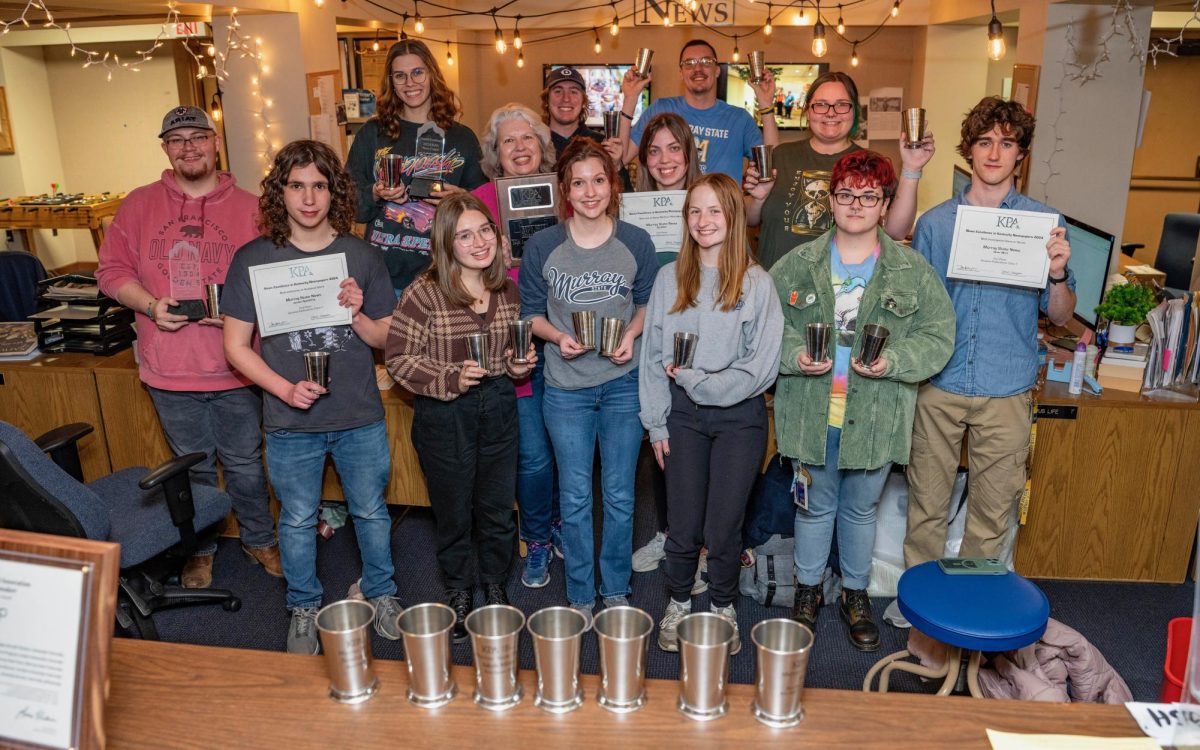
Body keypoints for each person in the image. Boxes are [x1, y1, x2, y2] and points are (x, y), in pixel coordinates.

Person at [222, 140, 403, 655]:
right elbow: (234, 346)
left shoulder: (362, 255)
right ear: (280, 192)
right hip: (287, 418)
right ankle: (303, 605)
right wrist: (283, 388)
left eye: (319, 186)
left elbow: (385, 339)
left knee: (371, 511)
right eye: (296, 186)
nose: (308, 198)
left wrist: (357, 313)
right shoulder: (253, 260)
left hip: (357, 414)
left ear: (334, 192)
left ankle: (382, 593)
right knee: (297, 518)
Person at [770, 150, 955, 651]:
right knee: (812, 508)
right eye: (847, 194)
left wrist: (893, 360)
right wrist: (793, 356)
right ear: (831, 201)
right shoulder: (795, 266)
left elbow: (939, 338)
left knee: (859, 511)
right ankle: (807, 592)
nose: (856, 204)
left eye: (868, 195)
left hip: (875, 417)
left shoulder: (910, 272)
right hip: (812, 413)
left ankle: (855, 594)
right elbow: (764, 330)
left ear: (884, 204)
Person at [95, 105, 278, 590]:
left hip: (238, 366)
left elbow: (274, 279)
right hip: (169, 370)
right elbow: (111, 273)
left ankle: (260, 538)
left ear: (216, 142)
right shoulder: (137, 205)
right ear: (165, 149)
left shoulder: (253, 207)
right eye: (177, 140)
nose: (189, 147)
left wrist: (243, 312)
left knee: (244, 462)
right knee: (191, 466)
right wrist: (151, 305)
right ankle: (200, 548)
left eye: (198, 137)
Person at [904, 97, 1074, 569]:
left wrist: (1057, 274)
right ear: (969, 151)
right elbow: (917, 312)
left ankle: (972, 607)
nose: (994, 153)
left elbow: (1060, 316)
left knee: (992, 513)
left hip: (1007, 385)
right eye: (984, 142)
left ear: (1021, 153)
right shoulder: (935, 225)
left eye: (1006, 142)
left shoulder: (1045, 224)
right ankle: (922, 606)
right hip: (940, 382)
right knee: (926, 506)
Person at [640, 173, 783, 655]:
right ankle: (679, 600)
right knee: (682, 524)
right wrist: (657, 420)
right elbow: (652, 358)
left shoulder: (757, 284)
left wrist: (699, 382)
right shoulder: (668, 278)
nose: (703, 221)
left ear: (734, 217)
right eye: (694, 211)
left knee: (724, 526)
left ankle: (723, 605)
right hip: (681, 417)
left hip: (740, 418)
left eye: (714, 211)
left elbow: (759, 369)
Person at [519, 139, 658, 628]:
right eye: (579, 182)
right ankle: (580, 592)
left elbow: (645, 305)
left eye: (599, 179)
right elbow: (530, 314)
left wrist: (633, 335)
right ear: (565, 190)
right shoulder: (543, 246)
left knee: (620, 494)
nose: (590, 191)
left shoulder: (637, 241)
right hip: (565, 387)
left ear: (612, 184)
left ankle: (615, 588)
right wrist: (557, 336)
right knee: (575, 495)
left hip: (623, 382)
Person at [386, 193, 535, 641]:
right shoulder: (424, 291)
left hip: (499, 405)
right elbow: (398, 358)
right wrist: (450, 376)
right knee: (453, 510)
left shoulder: (508, 288)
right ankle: (458, 588)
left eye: (484, 231)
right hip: (444, 412)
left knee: (496, 508)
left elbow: (510, 354)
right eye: (464, 235)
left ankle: (493, 583)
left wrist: (517, 367)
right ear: (446, 244)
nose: (478, 242)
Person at [469, 103, 562, 590]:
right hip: (515, 345)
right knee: (533, 455)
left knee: (568, 446)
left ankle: (561, 521)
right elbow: (456, 271)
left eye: (528, 139)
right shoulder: (478, 202)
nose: (520, 148)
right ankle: (538, 535)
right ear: (495, 153)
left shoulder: (567, 195)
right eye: (509, 141)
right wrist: (490, 262)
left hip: (567, 340)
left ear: (543, 148)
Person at [744, 71, 936, 270]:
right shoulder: (780, 156)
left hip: (841, 292)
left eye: (842, 105)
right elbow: (750, 218)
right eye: (821, 104)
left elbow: (896, 231)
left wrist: (912, 168)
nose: (831, 112)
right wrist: (758, 199)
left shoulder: (870, 163)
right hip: (775, 289)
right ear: (808, 110)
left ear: (854, 112)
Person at [346, 40, 487, 294]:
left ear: (432, 74)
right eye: (400, 76)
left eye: (418, 72)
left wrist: (461, 198)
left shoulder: (461, 138)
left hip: (445, 277)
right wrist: (376, 193)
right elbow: (349, 204)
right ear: (392, 82)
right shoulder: (372, 134)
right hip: (385, 279)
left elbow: (485, 208)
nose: (410, 83)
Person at [628, 111, 703, 580]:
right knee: (659, 436)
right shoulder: (631, 208)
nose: (664, 159)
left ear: (689, 152)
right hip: (650, 332)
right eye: (654, 150)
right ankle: (667, 531)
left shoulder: (707, 199)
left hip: (700, 334)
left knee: (697, 439)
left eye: (674, 148)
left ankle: (696, 543)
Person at [616, 39, 779, 182]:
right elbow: (620, 159)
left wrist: (765, 103)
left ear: (717, 70)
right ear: (681, 73)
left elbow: (772, 164)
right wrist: (630, 99)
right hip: (673, 213)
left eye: (706, 61)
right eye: (689, 63)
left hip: (723, 213)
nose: (698, 68)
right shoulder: (662, 109)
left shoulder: (739, 118)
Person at [540, 66, 632, 189]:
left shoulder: (601, 145)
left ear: (583, 101)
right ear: (546, 99)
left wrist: (616, 166)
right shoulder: (536, 144)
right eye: (558, 91)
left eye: (573, 92)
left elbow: (626, 203)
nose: (566, 98)